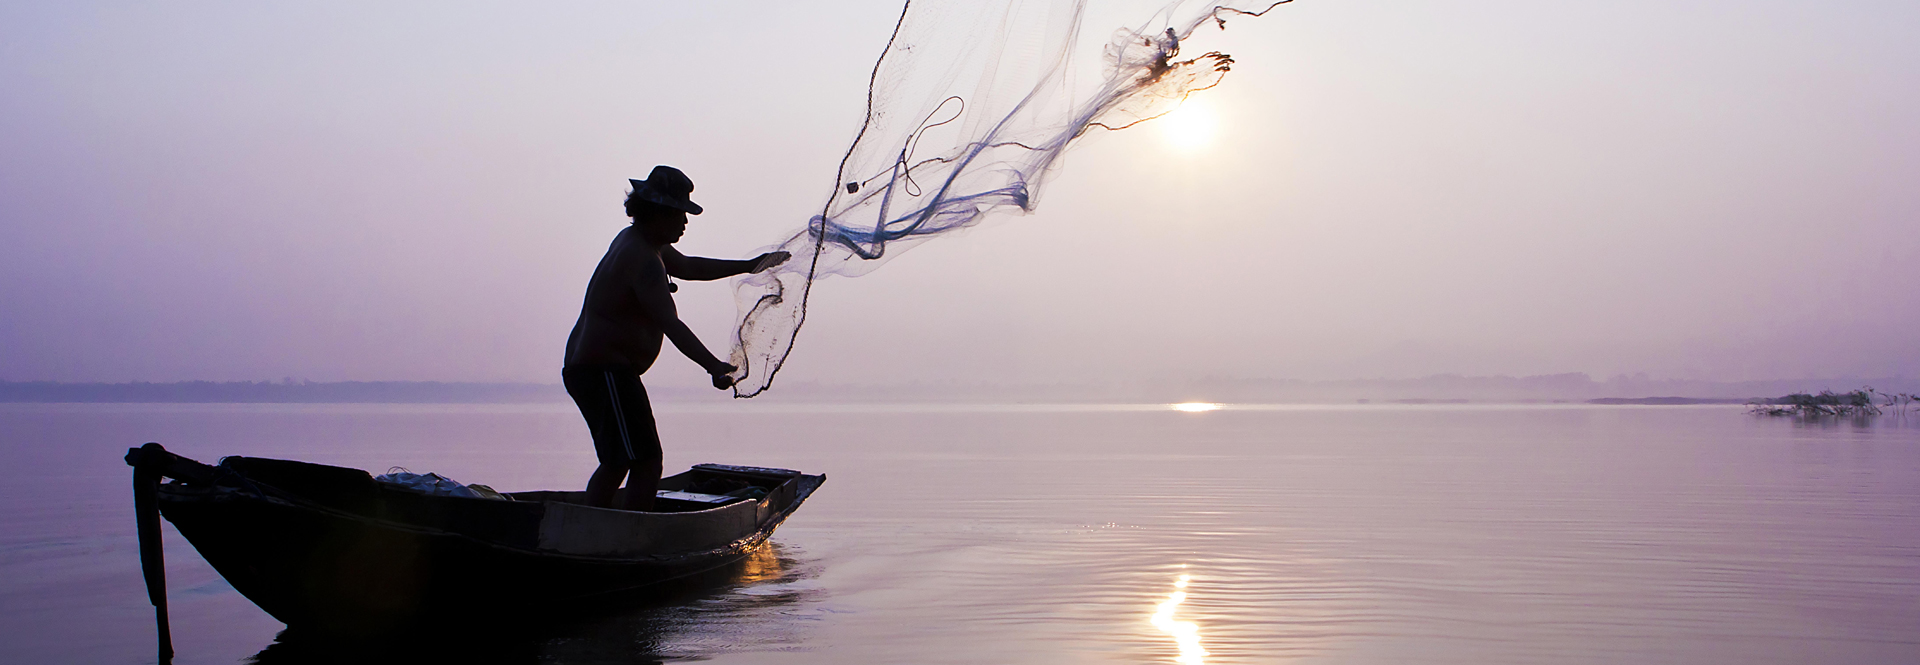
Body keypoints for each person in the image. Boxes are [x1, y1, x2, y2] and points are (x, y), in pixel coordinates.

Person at [563, 165, 788, 511]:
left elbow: (690, 268)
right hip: (602, 371)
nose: (685, 222)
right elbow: (671, 324)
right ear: (659, 213)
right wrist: (713, 365)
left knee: (626, 459)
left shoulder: (640, 241)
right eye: (680, 214)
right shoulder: (642, 258)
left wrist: (748, 265)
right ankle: (622, 536)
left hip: (600, 372)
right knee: (641, 461)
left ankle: (602, 527)